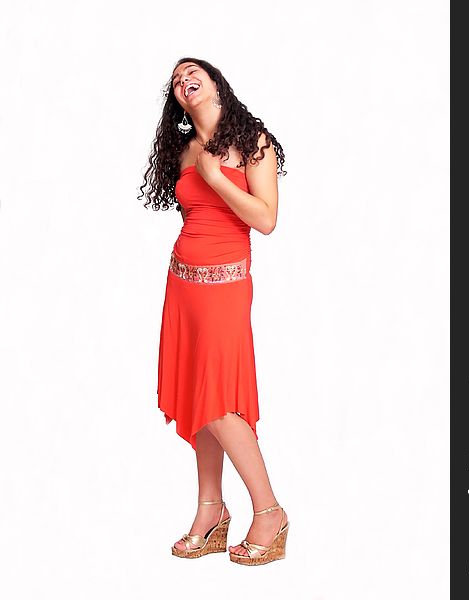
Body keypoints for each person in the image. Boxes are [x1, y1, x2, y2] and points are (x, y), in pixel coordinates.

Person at [138, 57, 289, 566]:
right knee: (198, 397)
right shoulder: (183, 150)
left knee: (220, 399)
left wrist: (217, 178)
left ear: (216, 81)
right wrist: (200, 171)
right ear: (178, 101)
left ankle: (269, 511)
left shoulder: (254, 142)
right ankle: (211, 510)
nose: (183, 79)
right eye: (176, 80)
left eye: (191, 71)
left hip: (226, 286)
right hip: (182, 284)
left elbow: (265, 219)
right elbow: (194, 215)